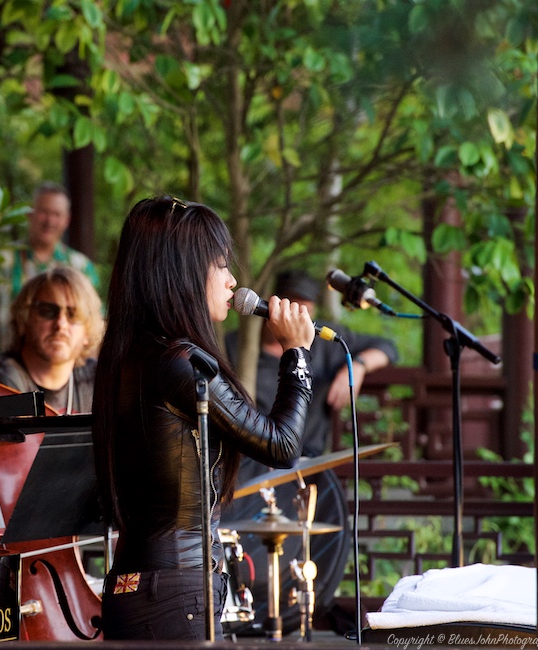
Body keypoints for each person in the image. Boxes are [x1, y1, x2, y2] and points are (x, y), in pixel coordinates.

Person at [91, 196, 316, 641]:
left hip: (138, 584)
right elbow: (281, 445)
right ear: (183, 272)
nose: (233, 280)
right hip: (175, 593)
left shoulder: (130, 355)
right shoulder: (179, 363)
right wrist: (297, 354)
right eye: (219, 264)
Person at [228, 269, 399, 459]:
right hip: (253, 457)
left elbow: (388, 348)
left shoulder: (324, 341)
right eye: (292, 307)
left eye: (305, 311)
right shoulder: (235, 346)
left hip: (308, 458)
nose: (298, 317)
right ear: (272, 304)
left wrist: (357, 366)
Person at [0, 182, 100, 352]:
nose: (49, 221)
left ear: (66, 220)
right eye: (44, 212)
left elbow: (94, 325)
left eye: (56, 214)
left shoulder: (81, 267)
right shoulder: (2, 260)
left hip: (65, 369)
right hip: (7, 364)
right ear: (29, 213)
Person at [0, 267, 102, 414]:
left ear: (88, 330)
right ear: (23, 318)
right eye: (48, 311)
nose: (60, 324)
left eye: (73, 315)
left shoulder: (98, 380)